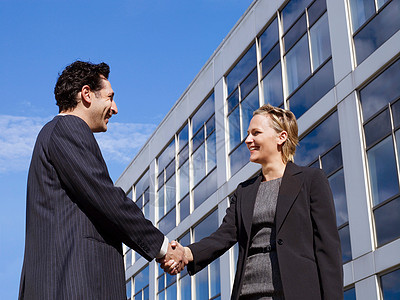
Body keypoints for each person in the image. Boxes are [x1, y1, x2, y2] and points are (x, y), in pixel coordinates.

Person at [19, 61, 187, 299]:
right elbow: (106, 198)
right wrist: (162, 248)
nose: (115, 108)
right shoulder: (68, 129)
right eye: (110, 97)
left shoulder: (54, 134)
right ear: (86, 94)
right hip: (73, 287)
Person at [161, 104, 343, 299]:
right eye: (248, 134)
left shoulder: (311, 181)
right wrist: (186, 253)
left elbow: (328, 249)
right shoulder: (244, 192)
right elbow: (223, 236)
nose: (248, 140)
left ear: (281, 137)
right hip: (249, 293)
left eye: (256, 133)